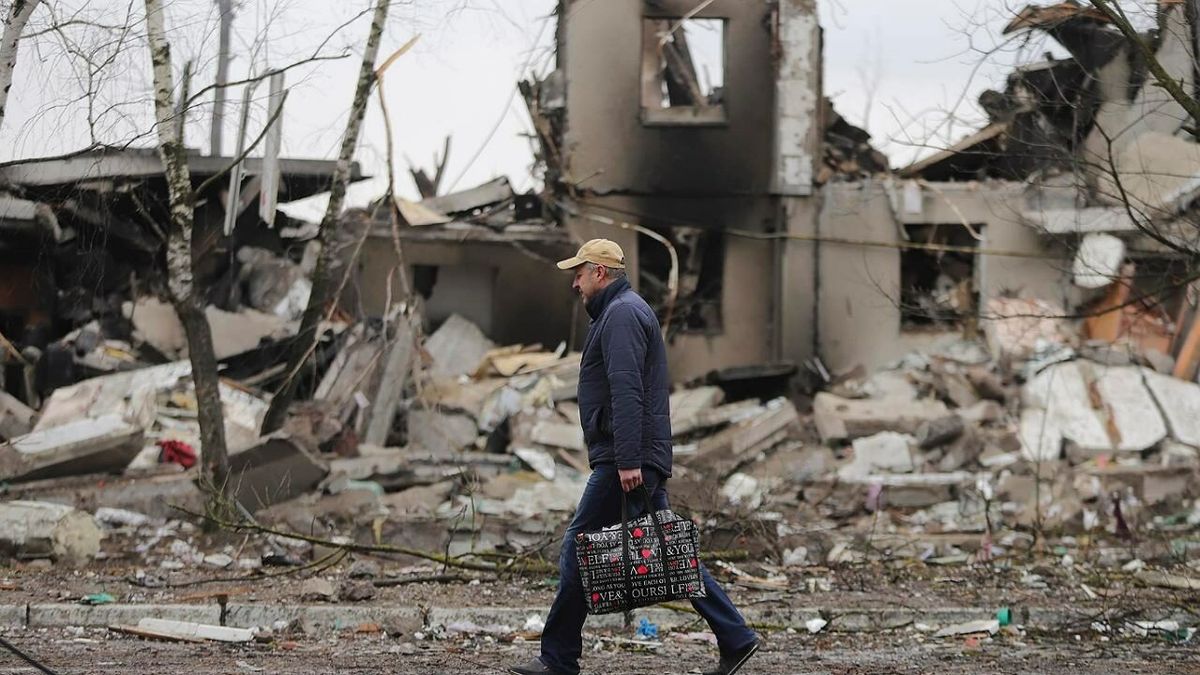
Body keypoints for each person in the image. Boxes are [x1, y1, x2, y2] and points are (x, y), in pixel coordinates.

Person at [510, 239, 760, 675]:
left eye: (580, 273)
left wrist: (627, 460)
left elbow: (628, 392)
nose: (575, 282)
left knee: (577, 546)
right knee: (670, 551)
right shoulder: (619, 312)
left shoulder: (622, 315)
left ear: (600, 273)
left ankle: (558, 658)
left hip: (626, 460)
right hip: (633, 456)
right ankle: (735, 636)